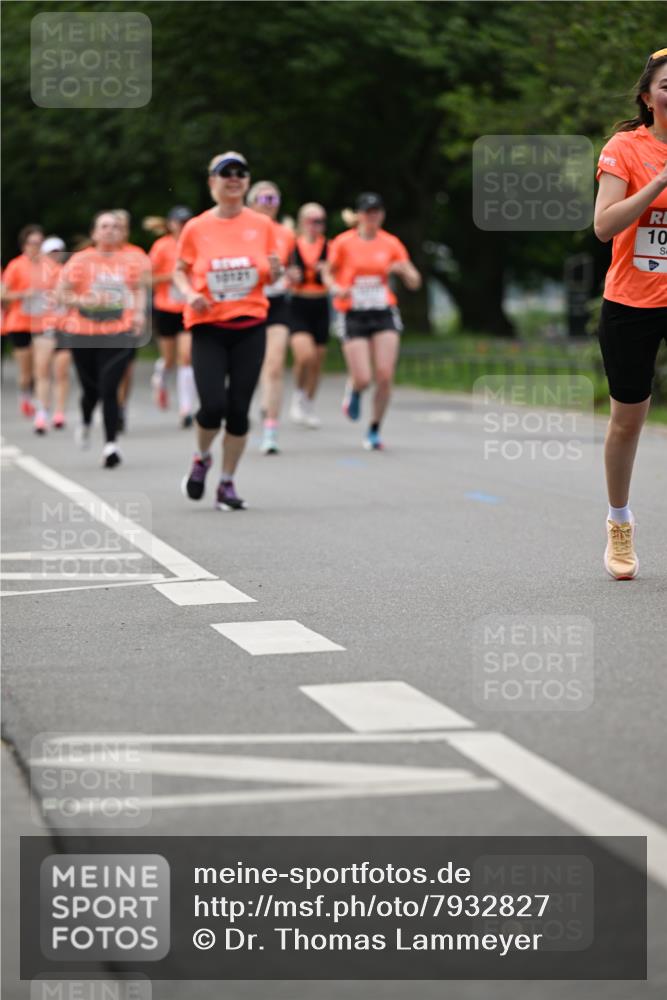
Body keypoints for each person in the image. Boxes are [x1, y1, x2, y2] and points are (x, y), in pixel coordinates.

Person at [594, 48, 667, 580]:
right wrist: (659, 183)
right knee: (628, 420)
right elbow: (603, 226)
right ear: (648, 97)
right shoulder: (624, 148)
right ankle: (619, 522)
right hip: (631, 303)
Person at [174, 151, 279, 510]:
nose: (233, 178)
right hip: (208, 326)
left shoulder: (262, 225)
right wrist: (190, 294)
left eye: (240, 173)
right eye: (226, 173)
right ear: (212, 182)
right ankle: (202, 457)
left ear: (247, 182)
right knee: (213, 405)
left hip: (251, 324)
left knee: (238, 410)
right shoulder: (196, 227)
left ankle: (227, 483)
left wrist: (277, 271)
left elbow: (271, 273)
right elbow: (179, 270)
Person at [324, 192, 422, 450]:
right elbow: (327, 273)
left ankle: (374, 429)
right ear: (358, 215)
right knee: (363, 378)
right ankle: (355, 389)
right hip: (353, 312)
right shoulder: (343, 243)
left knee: (385, 375)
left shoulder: (391, 243)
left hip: (382, 311)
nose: (372, 216)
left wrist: (404, 271)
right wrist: (336, 288)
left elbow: (415, 281)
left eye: (377, 211)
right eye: (368, 212)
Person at [58, 211, 147, 467]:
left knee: (110, 388)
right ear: (94, 233)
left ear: (122, 233)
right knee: (91, 391)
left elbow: (138, 289)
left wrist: (139, 313)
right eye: (104, 226)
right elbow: (61, 294)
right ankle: (86, 420)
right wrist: (86, 300)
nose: (110, 230)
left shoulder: (130, 260)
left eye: (115, 226)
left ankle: (111, 445)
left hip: (118, 331)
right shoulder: (80, 260)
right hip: (84, 334)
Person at [247, 181, 295, 454]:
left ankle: (271, 429)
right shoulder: (241, 230)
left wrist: (294, 275)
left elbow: (294, 266)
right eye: (265, 199)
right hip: (247, 302)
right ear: (252, 203)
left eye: (274, 199)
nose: (270, 204)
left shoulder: (286, 234)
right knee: (249, 365)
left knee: (274, 365)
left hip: (276, 304)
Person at [145, 206, 197, 427]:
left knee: (186, 356)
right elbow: (147, 279)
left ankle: (186, 408)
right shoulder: (162, 246)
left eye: (187, 222)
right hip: (166, 307)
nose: (183, 226)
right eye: (179, 222)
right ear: (171, 224)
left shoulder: (197, 244)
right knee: (169, 359)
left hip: (189, 308)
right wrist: (172, 277)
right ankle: (162, 378)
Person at [287, 202, 330, 428]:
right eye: (312, 221)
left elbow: (340, 273)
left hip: (321, 304)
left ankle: (309, 404)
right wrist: (289, 276)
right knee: (305, 356)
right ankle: (298, 394)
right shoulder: (292, 246)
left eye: (320, 221)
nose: (316, 225)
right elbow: (279, 274)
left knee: (317, 361)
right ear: (302, 222)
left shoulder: (330, 247)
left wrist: (330, 273)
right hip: (298, 304)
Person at [1, 224, 47, 418]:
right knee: (26, 370)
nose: (36, 247)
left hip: (42, 323)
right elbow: (3, 294)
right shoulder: (15, 265)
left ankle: (39, 400)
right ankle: (24, 395)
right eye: (32, 243)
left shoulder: (48, 265)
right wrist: (23, 294)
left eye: (39, 243)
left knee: (40, 366)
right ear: (24, 245)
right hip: (19, 323)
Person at [113, 209, 151, 433]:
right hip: (100, 323)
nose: (118, 230)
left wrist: (140, 313)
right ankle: (110, 402)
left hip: (128, 320)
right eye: (114, 226)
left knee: (126, 369)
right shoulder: (94, 255)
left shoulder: (137, 254)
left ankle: (120, 406)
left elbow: (143, 286)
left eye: (122, 226)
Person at [31, 236, 71, 432]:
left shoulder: (68, 272)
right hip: (42, 327)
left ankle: (59, 413)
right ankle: (41, 412)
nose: (55, 256)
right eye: (51, 253)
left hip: (64, 327)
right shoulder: (36, 274)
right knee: (42, 371)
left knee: (61, 372)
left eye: (58, 252)